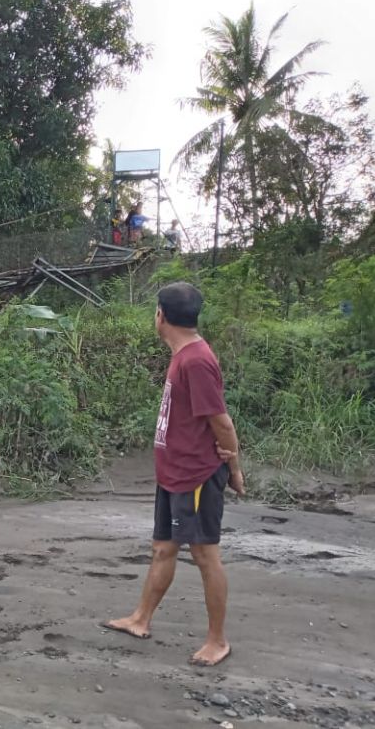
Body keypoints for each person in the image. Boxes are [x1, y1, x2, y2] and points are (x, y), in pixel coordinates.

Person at [102, 282, 245, 667]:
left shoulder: (196, 360)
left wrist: (233, 469)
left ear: (161, 315)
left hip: (196, 475)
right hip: (173, 472)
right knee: (163, 547)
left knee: (204, 554)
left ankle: (217, 640)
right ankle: (140, 618)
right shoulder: (183, 355)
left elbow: (222, 422)